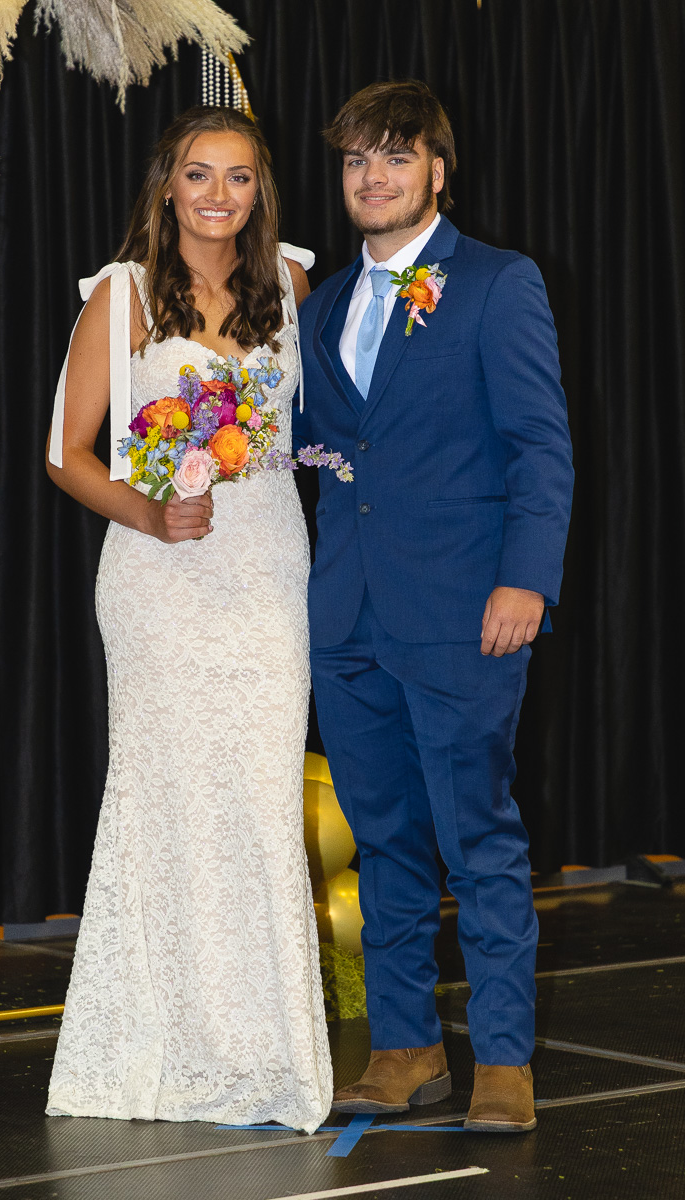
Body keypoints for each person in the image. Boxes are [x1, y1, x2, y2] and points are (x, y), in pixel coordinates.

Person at [44, 105, 332, 1132]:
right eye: (199, 175)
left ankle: (264, 1054)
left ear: (261, 190)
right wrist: (150, 513)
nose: (218, 195)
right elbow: (65, 453)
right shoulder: (121, 293)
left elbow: (329, 422)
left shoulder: (290, 285)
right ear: (167, 185)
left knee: (258, 803)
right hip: (160, 575)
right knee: (167, 802)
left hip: (267, 569)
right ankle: (161, 1045)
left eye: (239, 177)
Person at [294, 80, 574, 1132]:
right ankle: (406, 1049)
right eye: (357, 160)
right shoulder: (322, 307)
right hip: (347, 618)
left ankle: (502, 1059)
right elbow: (331, 452)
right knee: (382, 845)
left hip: (466, 610)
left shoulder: (498, 283)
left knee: (478, 839)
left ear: (437, 172)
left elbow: (539, 444)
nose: (373, 177)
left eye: (396, 156)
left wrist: (527, 577)